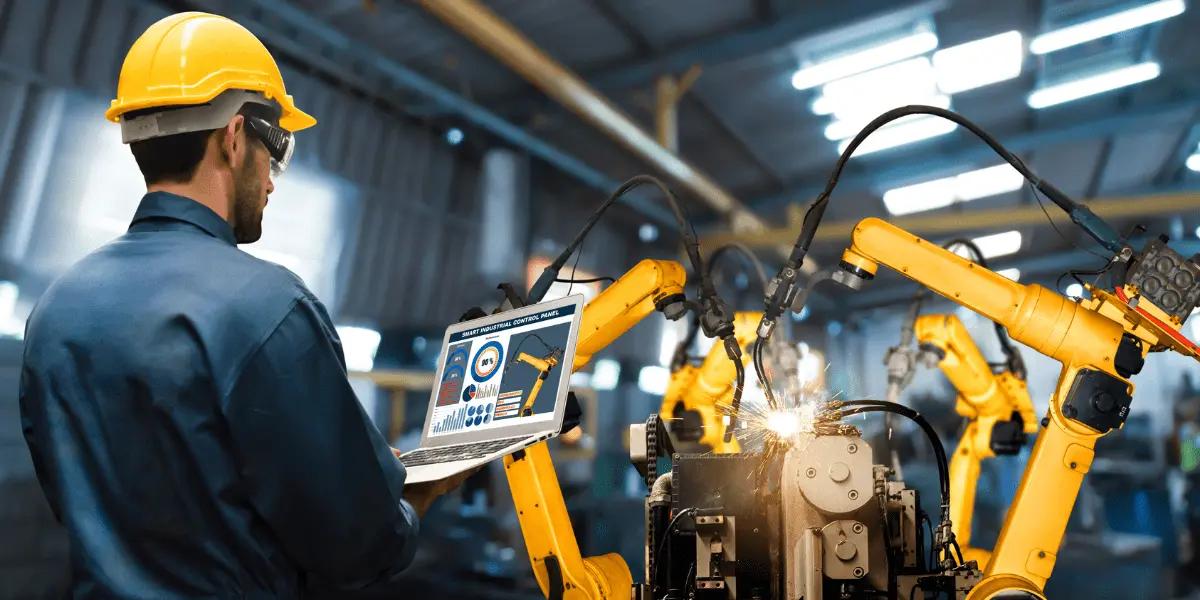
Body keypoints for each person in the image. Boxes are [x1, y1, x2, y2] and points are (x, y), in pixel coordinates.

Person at [19, 12, 471, 598]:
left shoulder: (56, 308)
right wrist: (420, 492)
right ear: (234, 137)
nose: (274, 180)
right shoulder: (268, 307)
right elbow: (359, 547)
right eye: (274, 148)